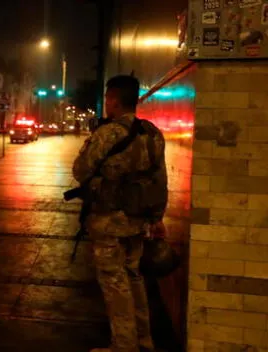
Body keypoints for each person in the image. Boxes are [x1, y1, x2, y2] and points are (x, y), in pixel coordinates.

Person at [72, 75, 167, 352]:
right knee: (134, 277)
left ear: (112, 99)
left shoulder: (107, 134)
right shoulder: (152, 133)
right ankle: (143, 339)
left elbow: (80, 171)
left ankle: (124, 346)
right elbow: (160, 179)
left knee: (115, 283)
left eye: (107, 98)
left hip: (109, 221)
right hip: (139, 219)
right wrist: (157, 217)